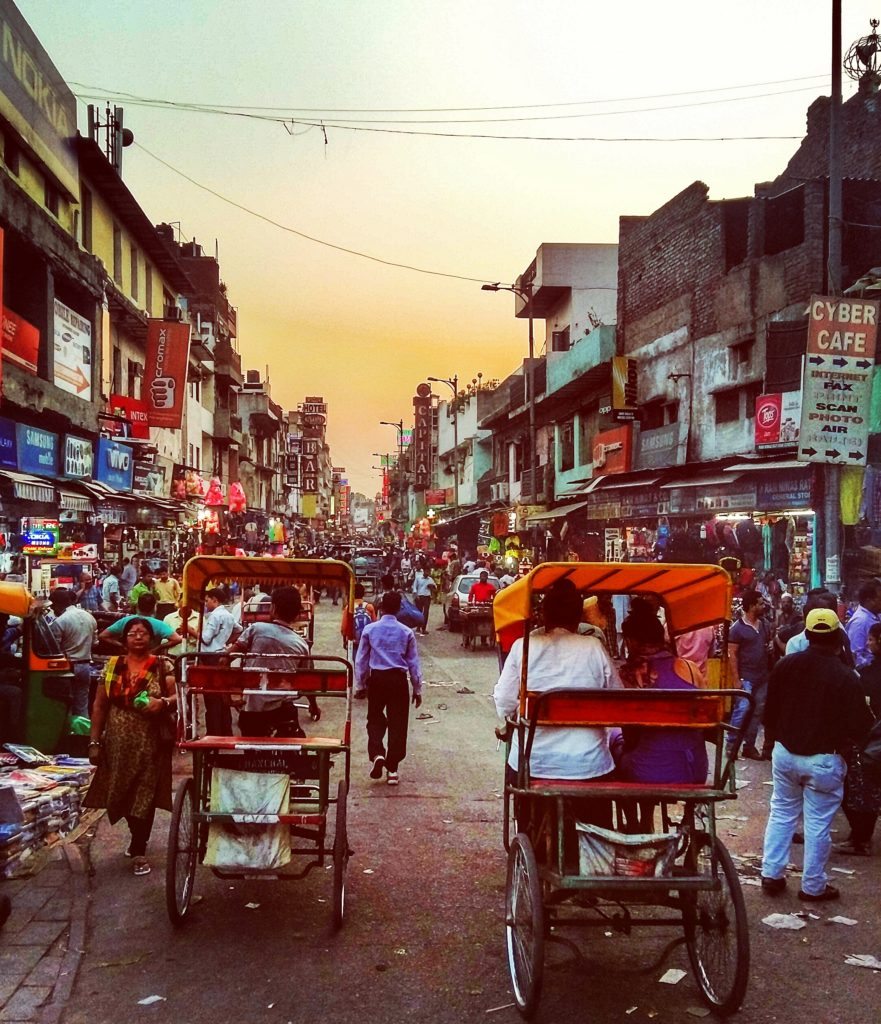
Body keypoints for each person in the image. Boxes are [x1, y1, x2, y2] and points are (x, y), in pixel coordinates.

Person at [760, 608, 871, 902]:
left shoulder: (786, 666)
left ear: (807, 635)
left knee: (782, 812)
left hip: (785, 753)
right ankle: (812, 886)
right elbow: (861, 725)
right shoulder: (847, 676)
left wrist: (775, 742)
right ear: (837, 637)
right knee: (817, 823)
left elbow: (768, 713)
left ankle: (771, 873)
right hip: (824, 759)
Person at [83, 618, 176, 876]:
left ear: (152, 639)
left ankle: (138, 848)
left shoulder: (162, 665)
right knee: (120, 794)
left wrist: (164, 703)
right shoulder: (111, 666)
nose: (138, 637)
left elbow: (177, 695)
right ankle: (137, 838)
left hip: (151, 743)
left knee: (144, 795)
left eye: (143, 633)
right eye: (133, 633)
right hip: (117, 745)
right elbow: (100, 706)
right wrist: (94, 742)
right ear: (124, 640)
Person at [613, 608, 708, 785]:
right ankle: (688, 812)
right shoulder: (690, 668)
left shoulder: (629, 675)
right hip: (694, 769)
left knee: (619, 752)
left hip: (648, 770)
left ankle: (642, 814)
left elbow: (630, 735)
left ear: (631, 641)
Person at [354, 591, 423, 786]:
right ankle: (392, 769)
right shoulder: (406, 632)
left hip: (377, 679)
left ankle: (377, 754)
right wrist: (417, 689)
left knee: (374, 718)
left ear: (381, 608)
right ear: (400, 608)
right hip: (398, 681)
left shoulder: (370, 630)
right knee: (398, 724)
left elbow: (361, 660)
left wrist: (360, 684)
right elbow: (413, 663)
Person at [228, 586, 317, 735]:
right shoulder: (301, 645)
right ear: (296, 615)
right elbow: (308, 682)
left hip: (252, 710)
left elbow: (227, 657)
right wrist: (313, 705)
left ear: (273, 608)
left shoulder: (256, 629)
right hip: (283, 710)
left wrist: (228, 698)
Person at [837, 621, 881, 856]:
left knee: (859, 789)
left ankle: (861, 838)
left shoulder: (867, 675)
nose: (867, 643)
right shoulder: (866, 672)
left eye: (872, 640)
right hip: (872, 738)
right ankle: (860, 836)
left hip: (869, 739)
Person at [728, 589, 772, 759]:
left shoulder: (764, 625)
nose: (763, 606)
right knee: (743, 708)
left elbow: (766, 645)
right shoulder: (737, 629)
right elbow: (732, 654)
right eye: (760, 603)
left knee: (757, 710)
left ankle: (749, 746)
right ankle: (731, 743)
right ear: (752, 606)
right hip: (746, 676)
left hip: (762, 676)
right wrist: (735, 679)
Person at [48, 588, 97, 719]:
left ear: (56, 604)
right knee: (82, 705)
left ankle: (68, 735)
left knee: (65, 704)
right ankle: (82, 734)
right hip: (86, 666)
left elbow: (54, 649)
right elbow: (94, 643)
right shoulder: (89, 617)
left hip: (67, 667)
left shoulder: (60, 622)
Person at [99, 593, 183, 651]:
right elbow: (177, 639)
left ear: (137, 606)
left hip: (129, 657)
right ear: (154, 607)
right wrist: (157, 648)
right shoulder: (158, 624)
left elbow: (103, 636)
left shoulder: (125, 621)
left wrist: (122, 645)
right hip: (149, 658)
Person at [845, 581, 881, 669]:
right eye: (880, 599)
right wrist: (872, 663)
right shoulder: (860, 622)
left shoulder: (876, 615)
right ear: (869, 601)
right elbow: (855, 657)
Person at [411, 567, 435, 636]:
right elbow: (414, 587)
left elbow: (435, 588)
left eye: (429, 571)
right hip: (419, 596)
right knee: (419, 612)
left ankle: (423, 628)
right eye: (427, 571)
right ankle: (418, 626)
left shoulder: (430, 579)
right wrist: (416, 595)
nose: (428, 573)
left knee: (426, 612)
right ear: (424, 571)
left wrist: (431, 587)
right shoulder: (418, 578)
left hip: (427, 597)